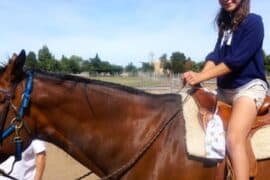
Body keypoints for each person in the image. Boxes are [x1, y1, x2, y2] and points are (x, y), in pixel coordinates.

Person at [182, 0, 268, 179]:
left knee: (234, 139)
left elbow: (236, 61)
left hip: (248, 88)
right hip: (224, 90)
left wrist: (201, 77)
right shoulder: (226, 26)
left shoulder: (254, 23)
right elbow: (216, 56)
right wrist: (197, 76)